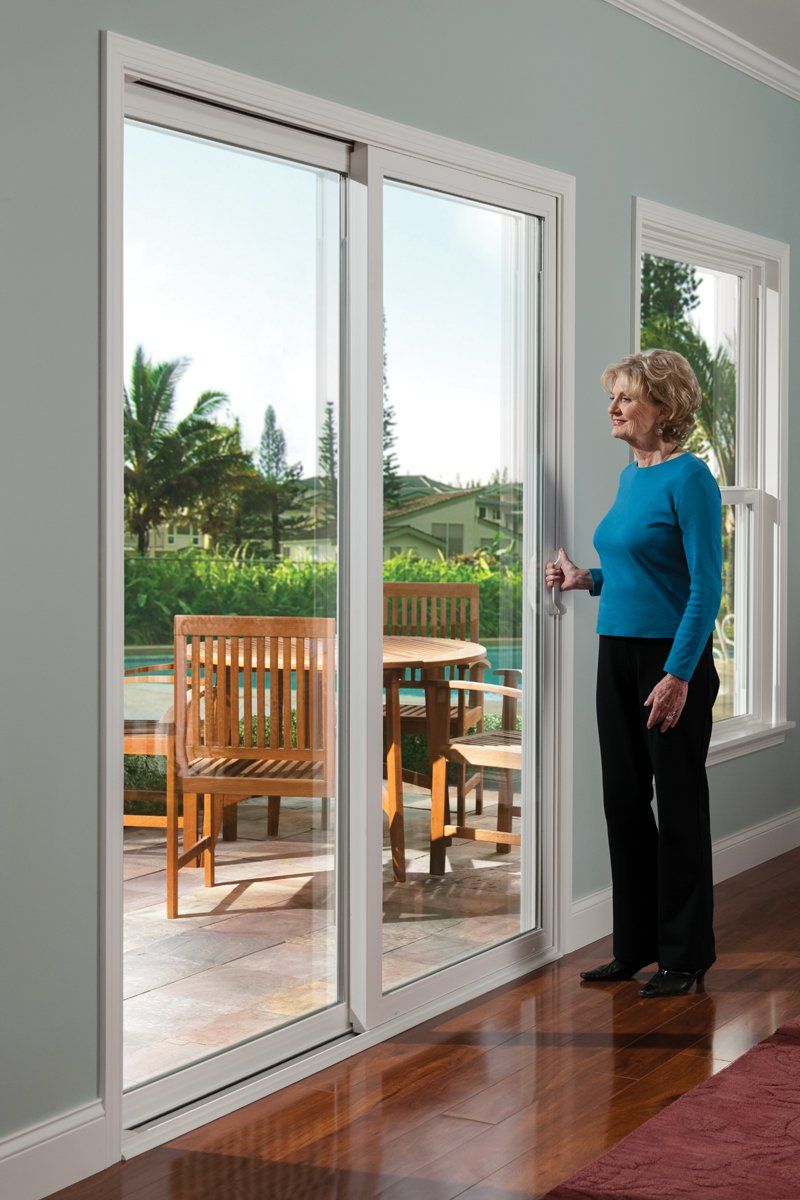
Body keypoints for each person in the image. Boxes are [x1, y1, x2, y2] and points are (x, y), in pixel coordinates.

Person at [546, 349, 723, 999]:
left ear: (664, 406)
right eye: (612, 397)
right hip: (615, 651)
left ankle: (684, 955)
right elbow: (635, 570)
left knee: (678, 806)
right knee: (622, 801)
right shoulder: (630, 479)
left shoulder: (691, 479)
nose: (613, 408)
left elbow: (706, 587)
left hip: (669, 661)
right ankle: (634, 947)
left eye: (625, 397)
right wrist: (584, 578)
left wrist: (678, 675)